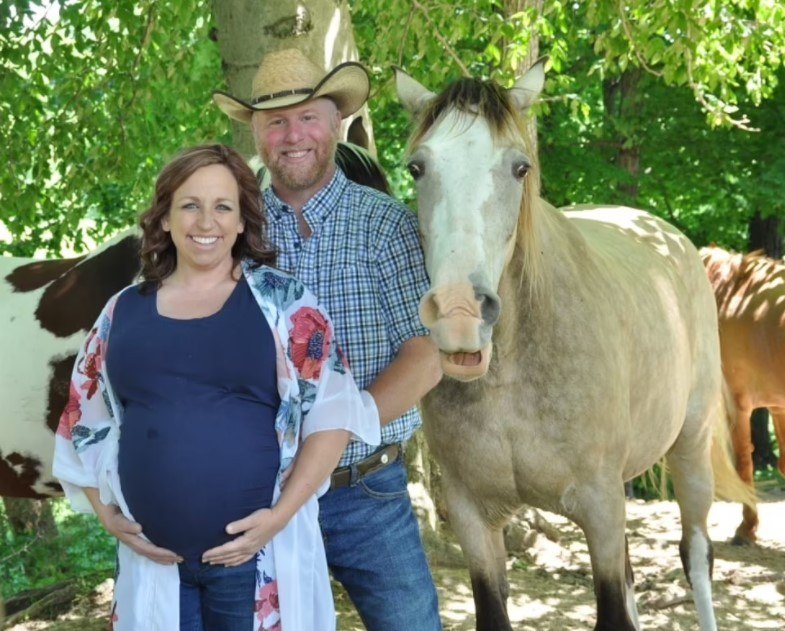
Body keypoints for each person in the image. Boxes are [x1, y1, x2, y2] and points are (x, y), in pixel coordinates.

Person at [52, 144, 380, 631]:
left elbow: (332, 418)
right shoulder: (122, 311)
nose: (206, 222)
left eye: (223, 207)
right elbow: (83, 419)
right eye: (190, 205)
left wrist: (278, 517)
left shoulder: (285, 305)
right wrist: (105, 513)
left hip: (254, 558)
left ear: (244, 221)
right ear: (164, 218)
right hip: (154, 563)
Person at [213, 49, 443, 631]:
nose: (293, 136)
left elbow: (425, 355)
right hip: (252, 493)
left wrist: (340, 430)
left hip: (365, 490)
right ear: (258, 135)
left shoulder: (385, 223)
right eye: (275, 122)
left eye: (307, 117)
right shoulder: (231, 229)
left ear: (336, 123)